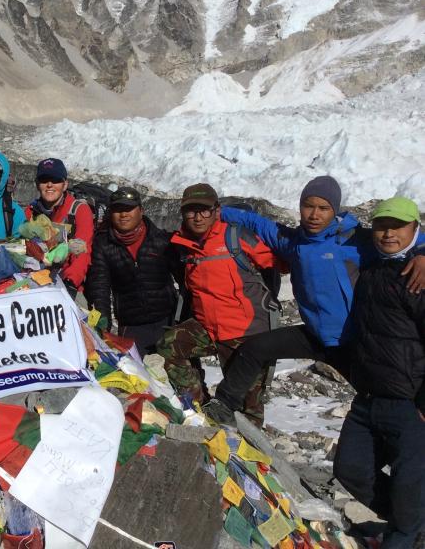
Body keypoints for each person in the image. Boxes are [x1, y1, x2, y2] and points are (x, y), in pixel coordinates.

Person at [204, 176, 425, 425]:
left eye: (324, 208)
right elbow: (257, 222)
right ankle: (224, 405)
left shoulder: (354, 240)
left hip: (355, 343)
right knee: (255, 348)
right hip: (314, 336)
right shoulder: (293, 242)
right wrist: (218, 212)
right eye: (309, 206)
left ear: (335, 210)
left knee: (375, 399)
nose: (314, 214)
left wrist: (423, 254)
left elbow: (404, 237)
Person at [333, 197, 424, 548]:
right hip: (368, 398)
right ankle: (412, 520)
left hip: (410, 403)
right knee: (350, 471)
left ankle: (406, 531)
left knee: (408, 482)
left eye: (398, 226)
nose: (388, 234)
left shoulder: (418, 277)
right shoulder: (372, 269)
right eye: (382, 226)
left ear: (415, 229)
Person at [157, 183, 281, 424]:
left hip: (245, 333)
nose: (198, 217)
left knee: (248, 408)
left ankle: (251, 456)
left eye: (204, 210)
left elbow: (275, 263)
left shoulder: (236, 237)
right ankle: (198, 407)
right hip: (208, 327)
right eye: (191, 211)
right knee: (170, 344)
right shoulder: (183, 244)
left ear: (217, 210)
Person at [85, 187, 178, 354]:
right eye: (118, 210)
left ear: (141, 211)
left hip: (168, 321)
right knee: (140, 376)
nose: (123, 214)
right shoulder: (103, 245)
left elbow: (186, 277)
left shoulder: (160, 239)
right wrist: (102, 325)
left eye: (129, 209)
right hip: (132, 325)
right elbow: (100, 285)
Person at [23, 158, 94, 295]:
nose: (49, 184)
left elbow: (82, 251)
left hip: (67, 282)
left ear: (65, 184)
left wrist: (70, 282)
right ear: (37, 184)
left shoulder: (79, 210)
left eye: (55, 180)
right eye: (44, 180)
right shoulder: (30, 212)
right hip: (34, 281)